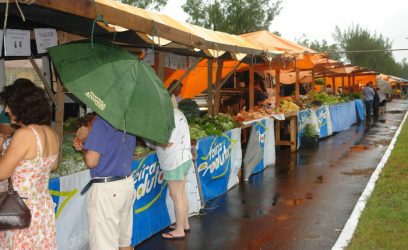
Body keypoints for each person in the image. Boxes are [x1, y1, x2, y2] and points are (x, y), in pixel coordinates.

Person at [0, 78, 59, 249]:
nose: (6, 110)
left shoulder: (25, 135)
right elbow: (53, 166)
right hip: (41, 209)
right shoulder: (51, 132)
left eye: (9, 104)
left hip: (19, 210)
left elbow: (2, 173)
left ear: (22, 105)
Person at [73, 114, 136, 250]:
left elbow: (91, 161)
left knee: (104, 245)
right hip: (126, 184)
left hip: (106, 190)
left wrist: (85, 139)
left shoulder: (101, 123)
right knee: (124, 243)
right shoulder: (128, 120)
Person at [146, 99, 193, 240]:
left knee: (176, 195)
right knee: (181, 193)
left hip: (174, 161)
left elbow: (167, 142)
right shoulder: (179, 113)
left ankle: (179, 230)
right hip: (184, 157)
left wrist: (150, 142)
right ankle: (184, 223)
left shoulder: (168, 117)